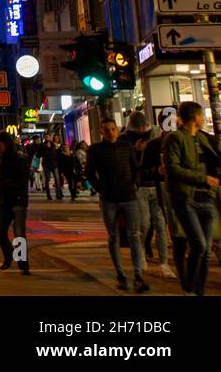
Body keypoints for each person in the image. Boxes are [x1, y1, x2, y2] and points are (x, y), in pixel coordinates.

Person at [163, 101, 220, 296]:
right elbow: (173, 168)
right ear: (195, 117)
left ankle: (198, 290)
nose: (203, 119)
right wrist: (202, 178)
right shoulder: (176, 138)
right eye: (202, 115)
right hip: (187, 198)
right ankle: (189, 287)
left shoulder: (204, 139)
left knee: (205, 251)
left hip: (207, 198)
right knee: (199, 245)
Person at [87, 118, 149, 292]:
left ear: (117, 129)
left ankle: (138, 275)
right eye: (106, 130)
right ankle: (120, 274)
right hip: (109, 199)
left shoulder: (126, 147)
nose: (110, 132)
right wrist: (102, 189)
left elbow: (135, 167)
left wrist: (134, 184)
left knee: (134, 235)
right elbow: (89, 174)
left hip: (129, 197)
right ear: (101, 132)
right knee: (113, 236)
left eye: (113, 129)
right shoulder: (95, 150)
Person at [127, 113, 172, 278]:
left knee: (160, 225)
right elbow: (134, 165)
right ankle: (141, 253)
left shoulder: (156, 140)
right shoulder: (127, 140)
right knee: (144, 224)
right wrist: (135, 150)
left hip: (157, 187)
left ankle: (164, 263)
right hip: (141, 187)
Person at [0, 132, 30, 275]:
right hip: (3, 200)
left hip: (18, 199)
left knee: (19, 233)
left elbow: (22, 182)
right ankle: (8, 255)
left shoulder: (20, 159)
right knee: (0, 230)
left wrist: (2, 184)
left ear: (7, 144)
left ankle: (22, 264)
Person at [41, 135, 61, 200]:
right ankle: (48, 195)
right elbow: (39, 155)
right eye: (46, 137)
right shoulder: (42, 145)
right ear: (44, 138)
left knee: (57, 180)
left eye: (48, 137)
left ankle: (58, 195)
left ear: (50, 138)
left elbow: (57, 153)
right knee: (47, 180)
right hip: (46, 165)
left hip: (54, 164)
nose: (47, 138)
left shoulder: (53, 144)